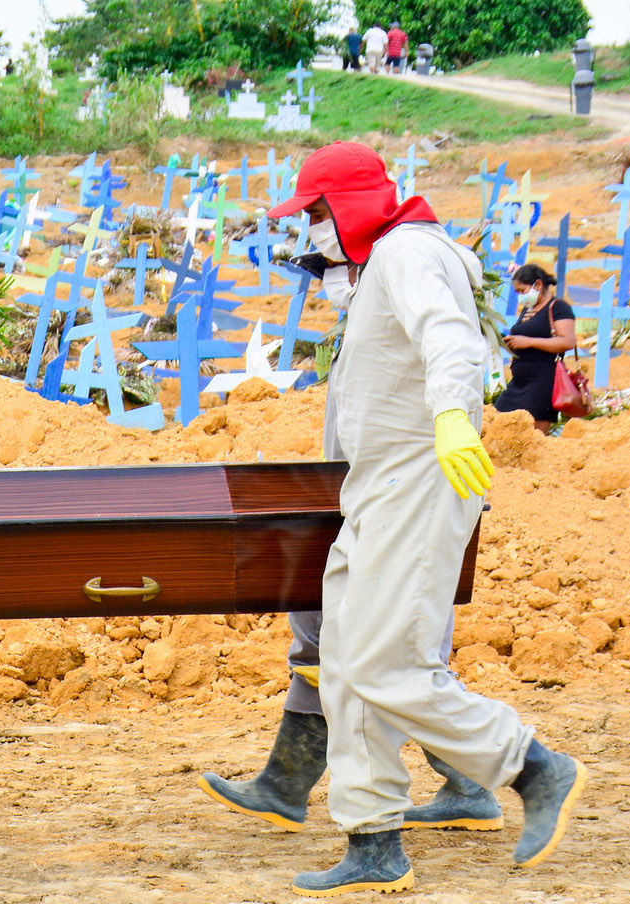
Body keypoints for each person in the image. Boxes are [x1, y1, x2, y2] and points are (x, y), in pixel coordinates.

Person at [249, 142, 583, 896]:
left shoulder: (408, 253)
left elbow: (450, 338)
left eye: (318, 213)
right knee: (343, 660)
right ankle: (372, 841)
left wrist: (453, 421)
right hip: (376, 487)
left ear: (354, 204)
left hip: (423, 475)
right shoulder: (382, 265)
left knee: (386, 663)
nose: (314, 231)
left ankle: (533, 766)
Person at [201, 249, 504, 840]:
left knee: (384, 658)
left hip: (397, 507)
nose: (331, 283)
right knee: (330, 644)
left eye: (337, 269)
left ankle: (508, 775)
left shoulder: (404, 316)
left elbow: (442, 367)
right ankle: (286, 786)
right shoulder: (364, 331)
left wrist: (447, 419)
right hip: (359, 504)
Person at [493, 263, 578, 425]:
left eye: (522, 291)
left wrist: (528, 342)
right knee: (498, 425)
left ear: (538, 285)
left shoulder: (559, 307)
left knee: (531, 436)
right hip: (518, 381)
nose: (520, 297)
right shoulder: (528, 309)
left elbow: (568, 341)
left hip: (541, 382)